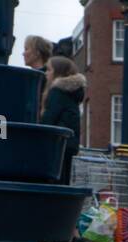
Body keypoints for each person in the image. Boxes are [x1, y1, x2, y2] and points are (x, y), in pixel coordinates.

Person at [40, 56, 86, 184]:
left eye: (49, 70)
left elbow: (48, 119)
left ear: (58, 72)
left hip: (57, 146)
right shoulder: (71, 93)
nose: (46, 73)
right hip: (69, 144)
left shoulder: (57, 92)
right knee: (63, 182)